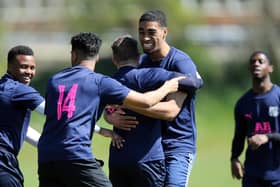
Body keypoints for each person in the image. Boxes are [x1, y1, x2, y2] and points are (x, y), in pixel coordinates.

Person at [37, 32, 183, 187]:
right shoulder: (100, 82)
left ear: (73, 55)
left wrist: (104, 128)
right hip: (76, 155)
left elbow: (68, 117)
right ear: (97, 57)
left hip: (46, 157)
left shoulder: (54, 81)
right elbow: (146, 102)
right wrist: (167, 87)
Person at [106, 35, 202, 187]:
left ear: (114, 59)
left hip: (118, 159)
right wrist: (169, 86)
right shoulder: (147, 75)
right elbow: (191, 81)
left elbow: (101, 110)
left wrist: (108, 120)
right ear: (139, 58)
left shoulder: (108, 82)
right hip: (148, 158)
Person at [137, 10, 203, 187]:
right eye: (141, 32)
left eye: (151, 32)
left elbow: (171, 111)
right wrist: (112, 113)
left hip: (177, 146)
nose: (145, 37)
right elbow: (119, 93)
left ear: (164, 32)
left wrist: (134, 104)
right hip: (149, 147)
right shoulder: (141, 63)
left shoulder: (180, 61)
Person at [230, 51, 280, 187]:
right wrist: (234, 158)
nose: (256, 64)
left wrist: (267, 137)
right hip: (252, 176)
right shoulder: (243, 103)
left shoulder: (278, 97)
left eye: (261, 61)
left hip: (277, 175)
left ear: (270, 68)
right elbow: (239, 136)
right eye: (252, 62)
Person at [0, 45, 45, 187]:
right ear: (10, 67)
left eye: (32, 68)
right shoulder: (19, 90)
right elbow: (55, 112)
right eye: (24, 67)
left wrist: (45, 145)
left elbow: (16, 127)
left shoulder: (3, 87)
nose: (29, 72)